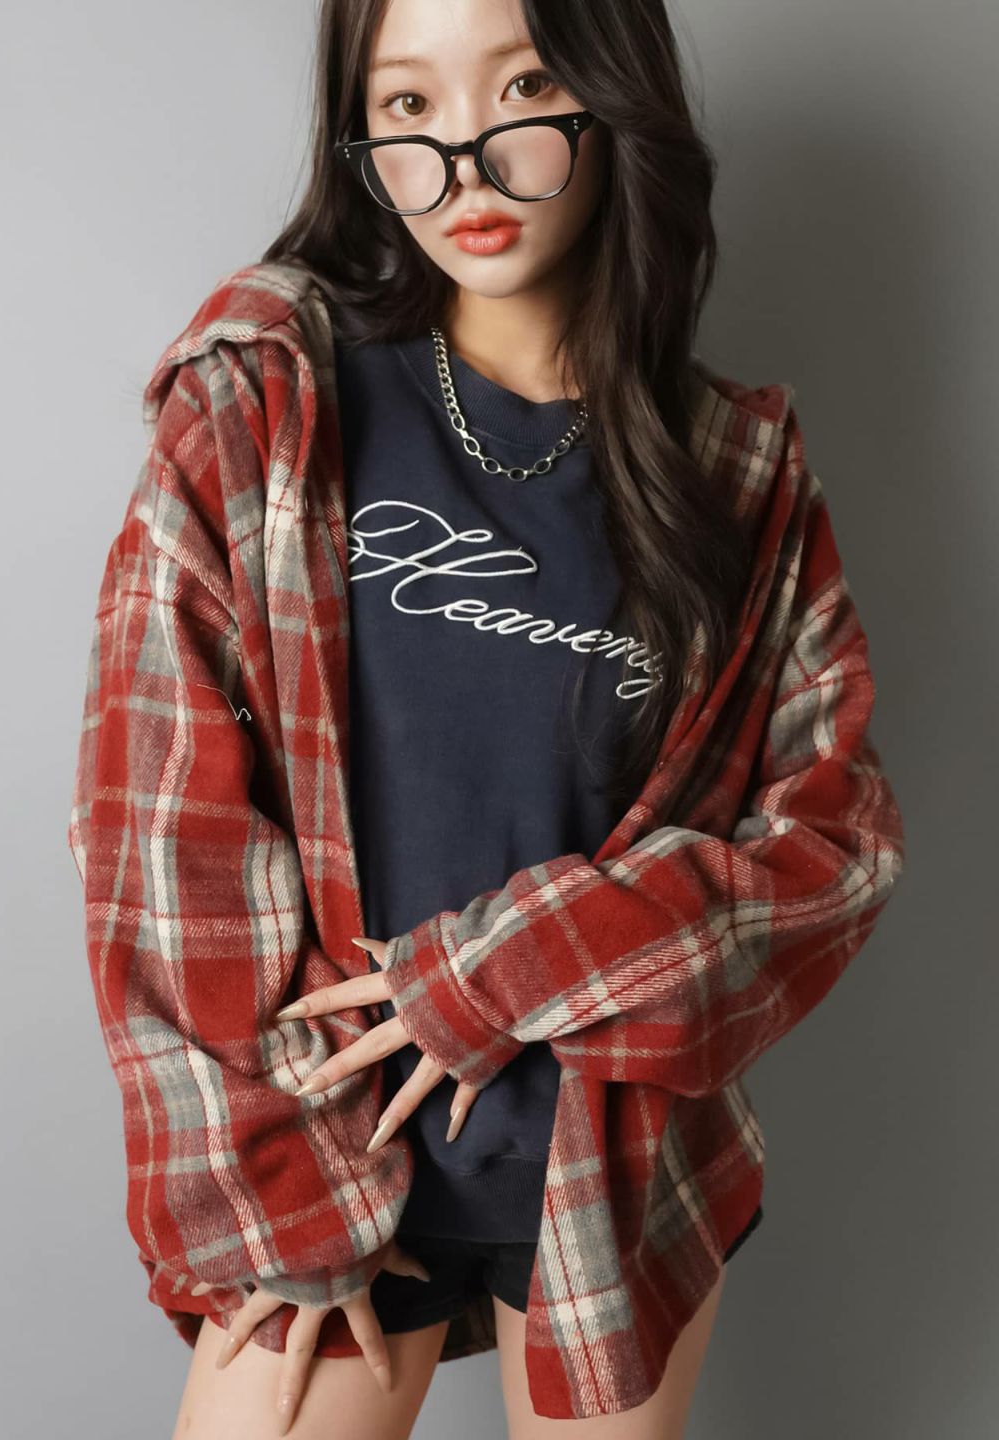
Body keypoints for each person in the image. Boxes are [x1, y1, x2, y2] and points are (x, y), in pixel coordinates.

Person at [67, 1, 906, 1436]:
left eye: (523, 87)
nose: (465, 159)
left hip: (609, 1168)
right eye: (408, 107)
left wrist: (497, 971)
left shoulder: (738, 474)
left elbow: (834, 851)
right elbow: (159, 832)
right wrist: (276, 1198)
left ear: (612, 99)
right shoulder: (269, 408)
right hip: (323, 1141)